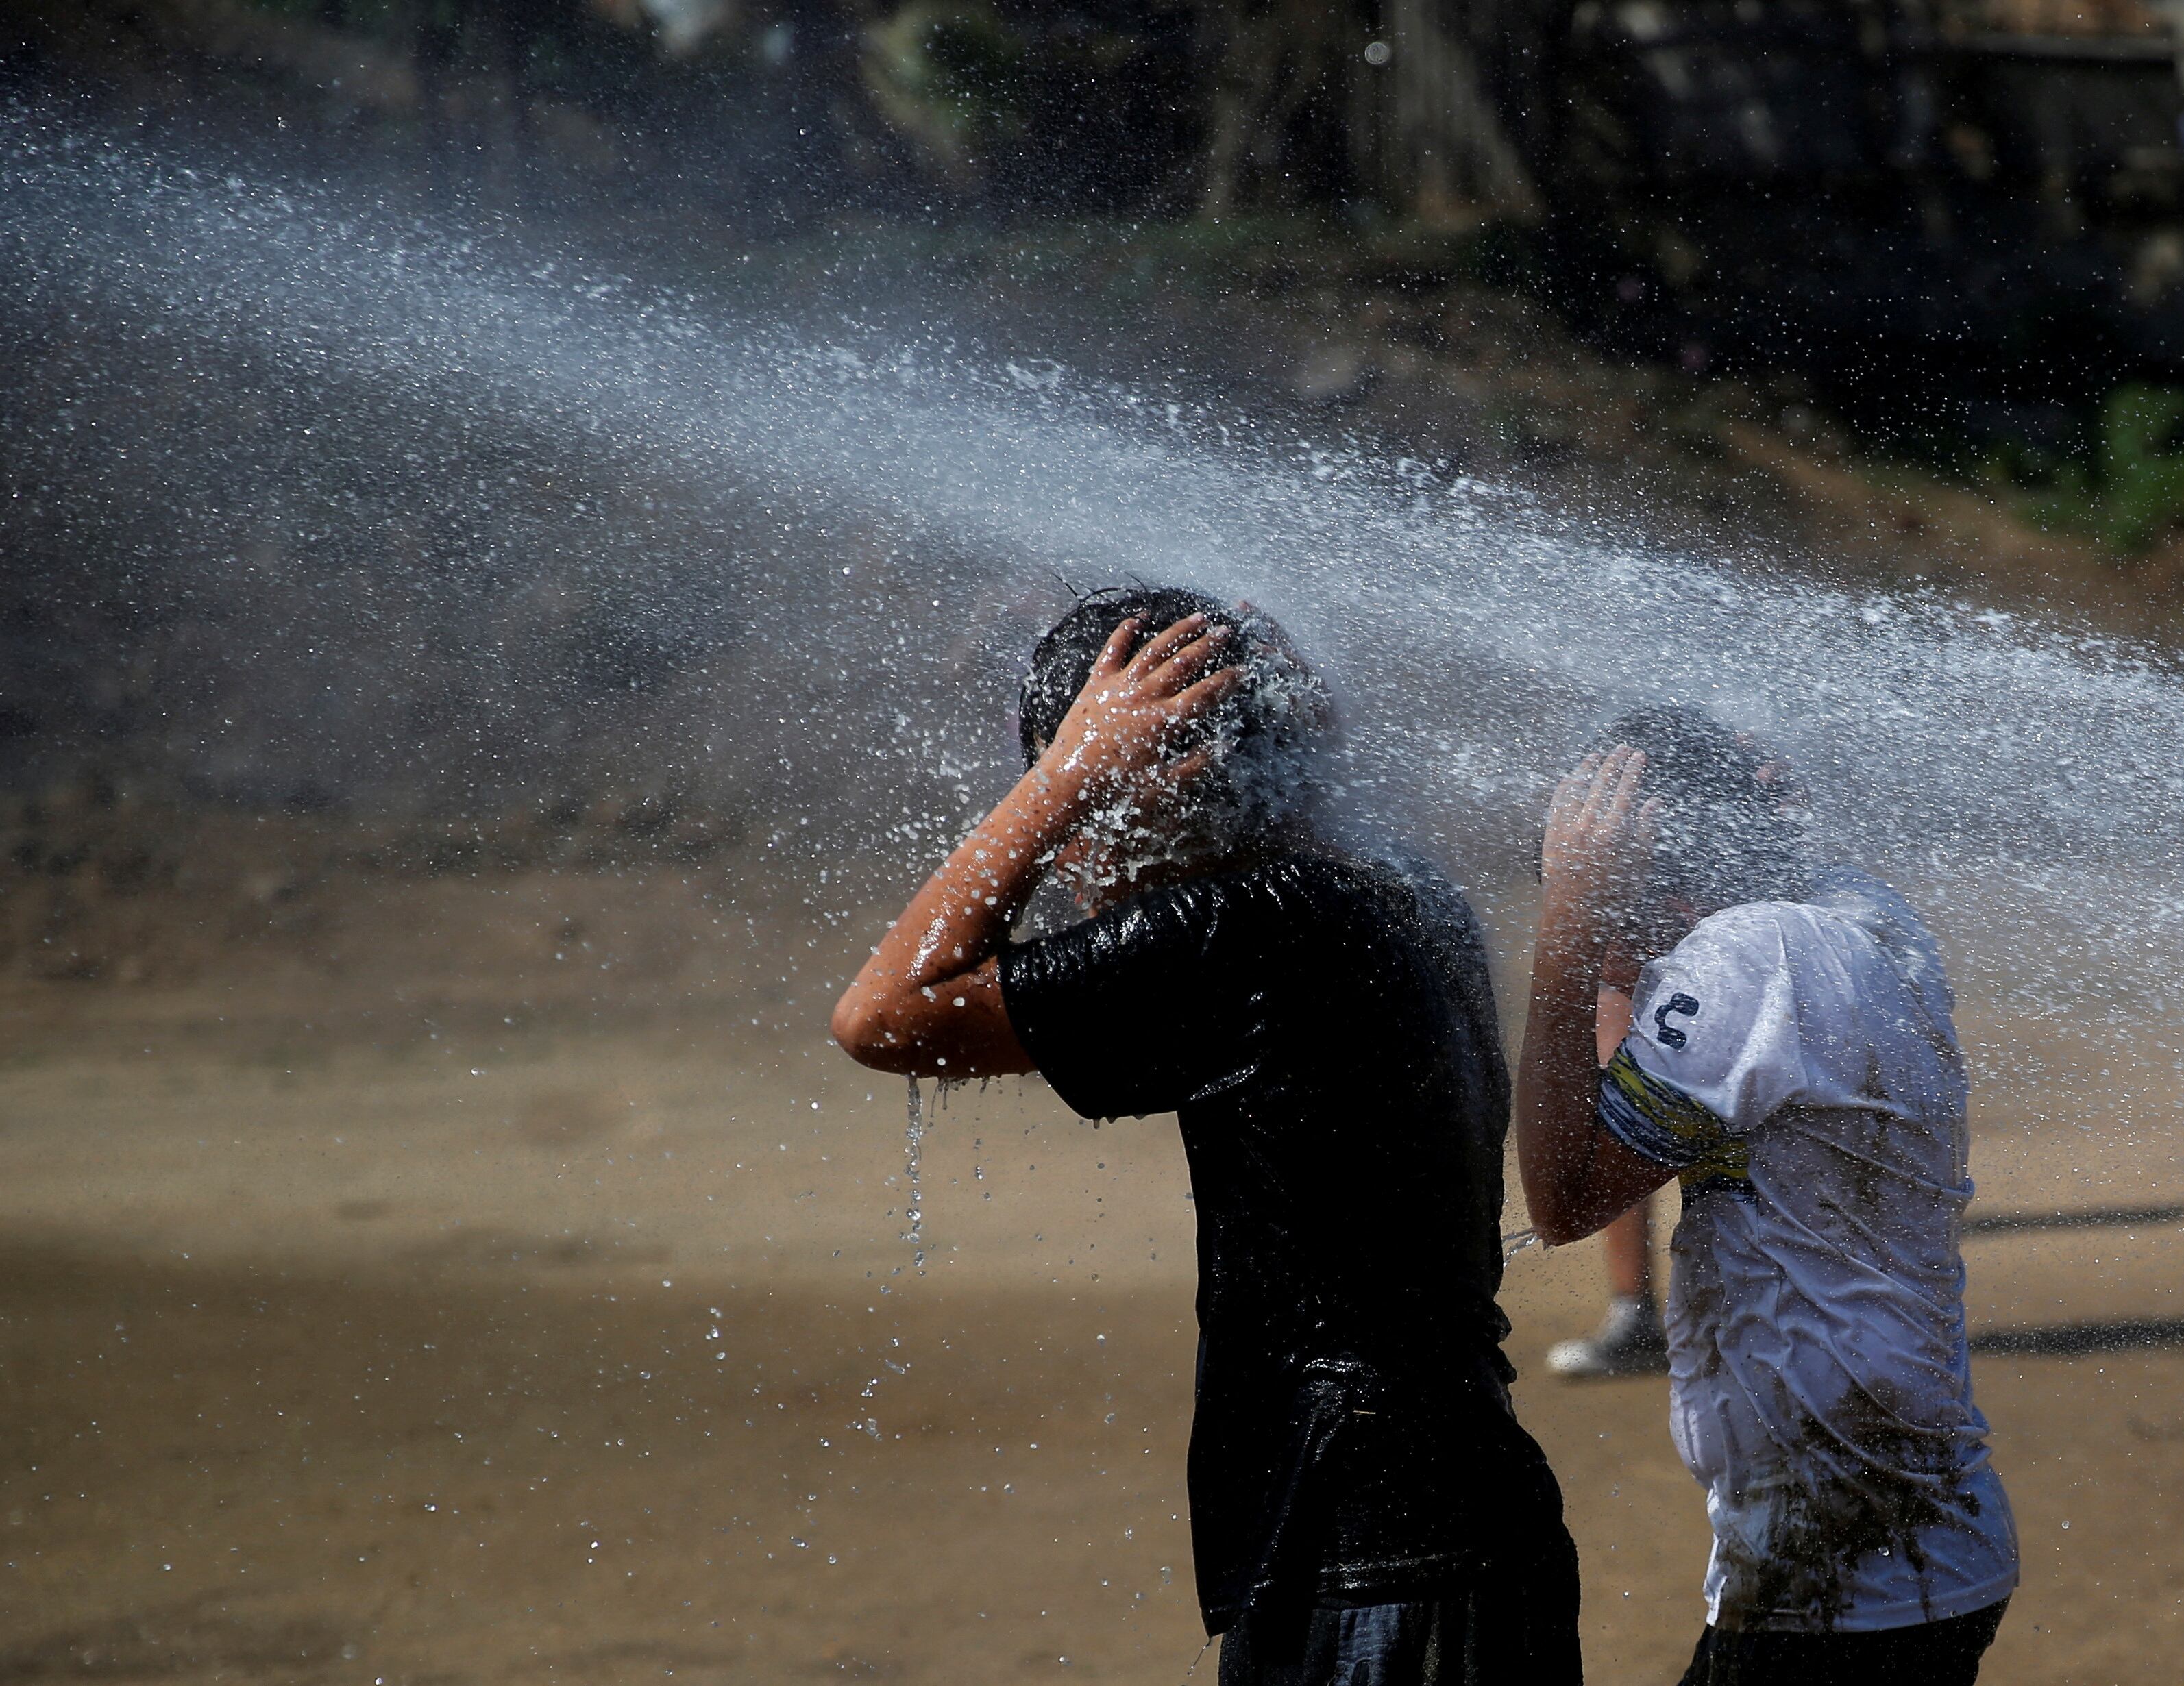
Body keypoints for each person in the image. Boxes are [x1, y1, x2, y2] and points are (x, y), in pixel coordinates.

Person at [831, 587, 1581, 1686]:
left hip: (1371, 1558)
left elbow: (882, 1015)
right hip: (1447, 1528)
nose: (1075, 860)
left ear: (1168, 775)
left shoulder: (1262, 927)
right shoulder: (1395, 890)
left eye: (1088, 806)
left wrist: (1062, 774)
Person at [1513, 707, 2018, 1686]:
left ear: (1660, 870)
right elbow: (1632, 1087)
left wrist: (1569, 933)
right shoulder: (1849, 914)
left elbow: (1562, 1195)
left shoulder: (1754, 957)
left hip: (1843, 1574)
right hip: (1904, 1539)